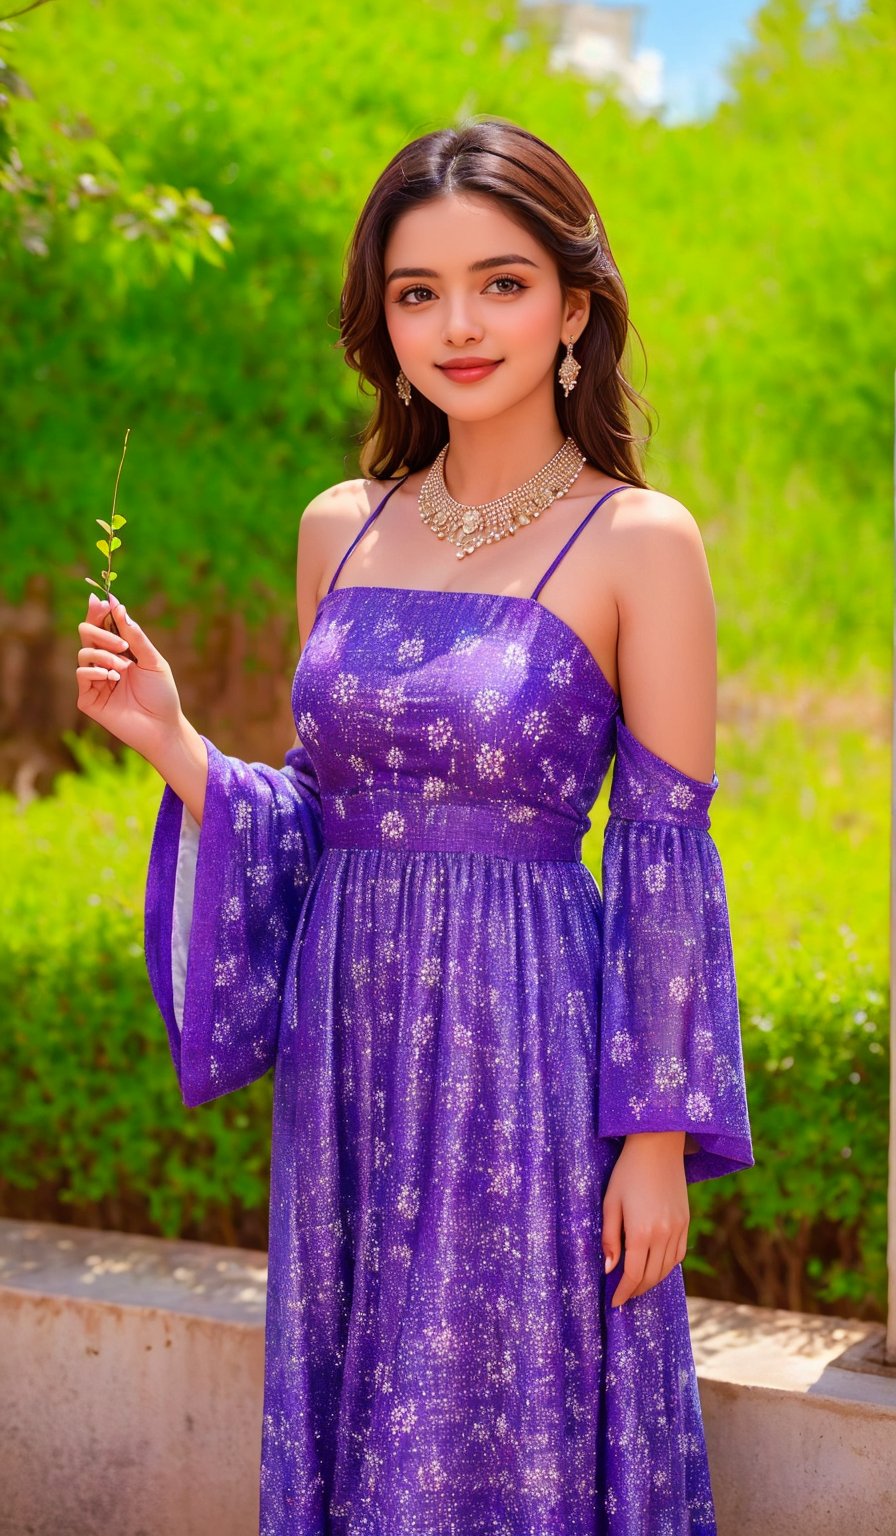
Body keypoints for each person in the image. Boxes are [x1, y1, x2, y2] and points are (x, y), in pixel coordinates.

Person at [76, 117, 753, 1536]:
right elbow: (317, 818)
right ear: (380, 318)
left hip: (532, 1055)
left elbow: (665, 862)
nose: (458, 324)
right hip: (349, 1049)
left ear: (575, 306)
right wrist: (176, 741)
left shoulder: (642, 541)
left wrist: (653, 1140)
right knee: (357, 1402)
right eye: (416, 290)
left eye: (501, 284)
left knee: (517, 1405)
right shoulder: (340, 523)